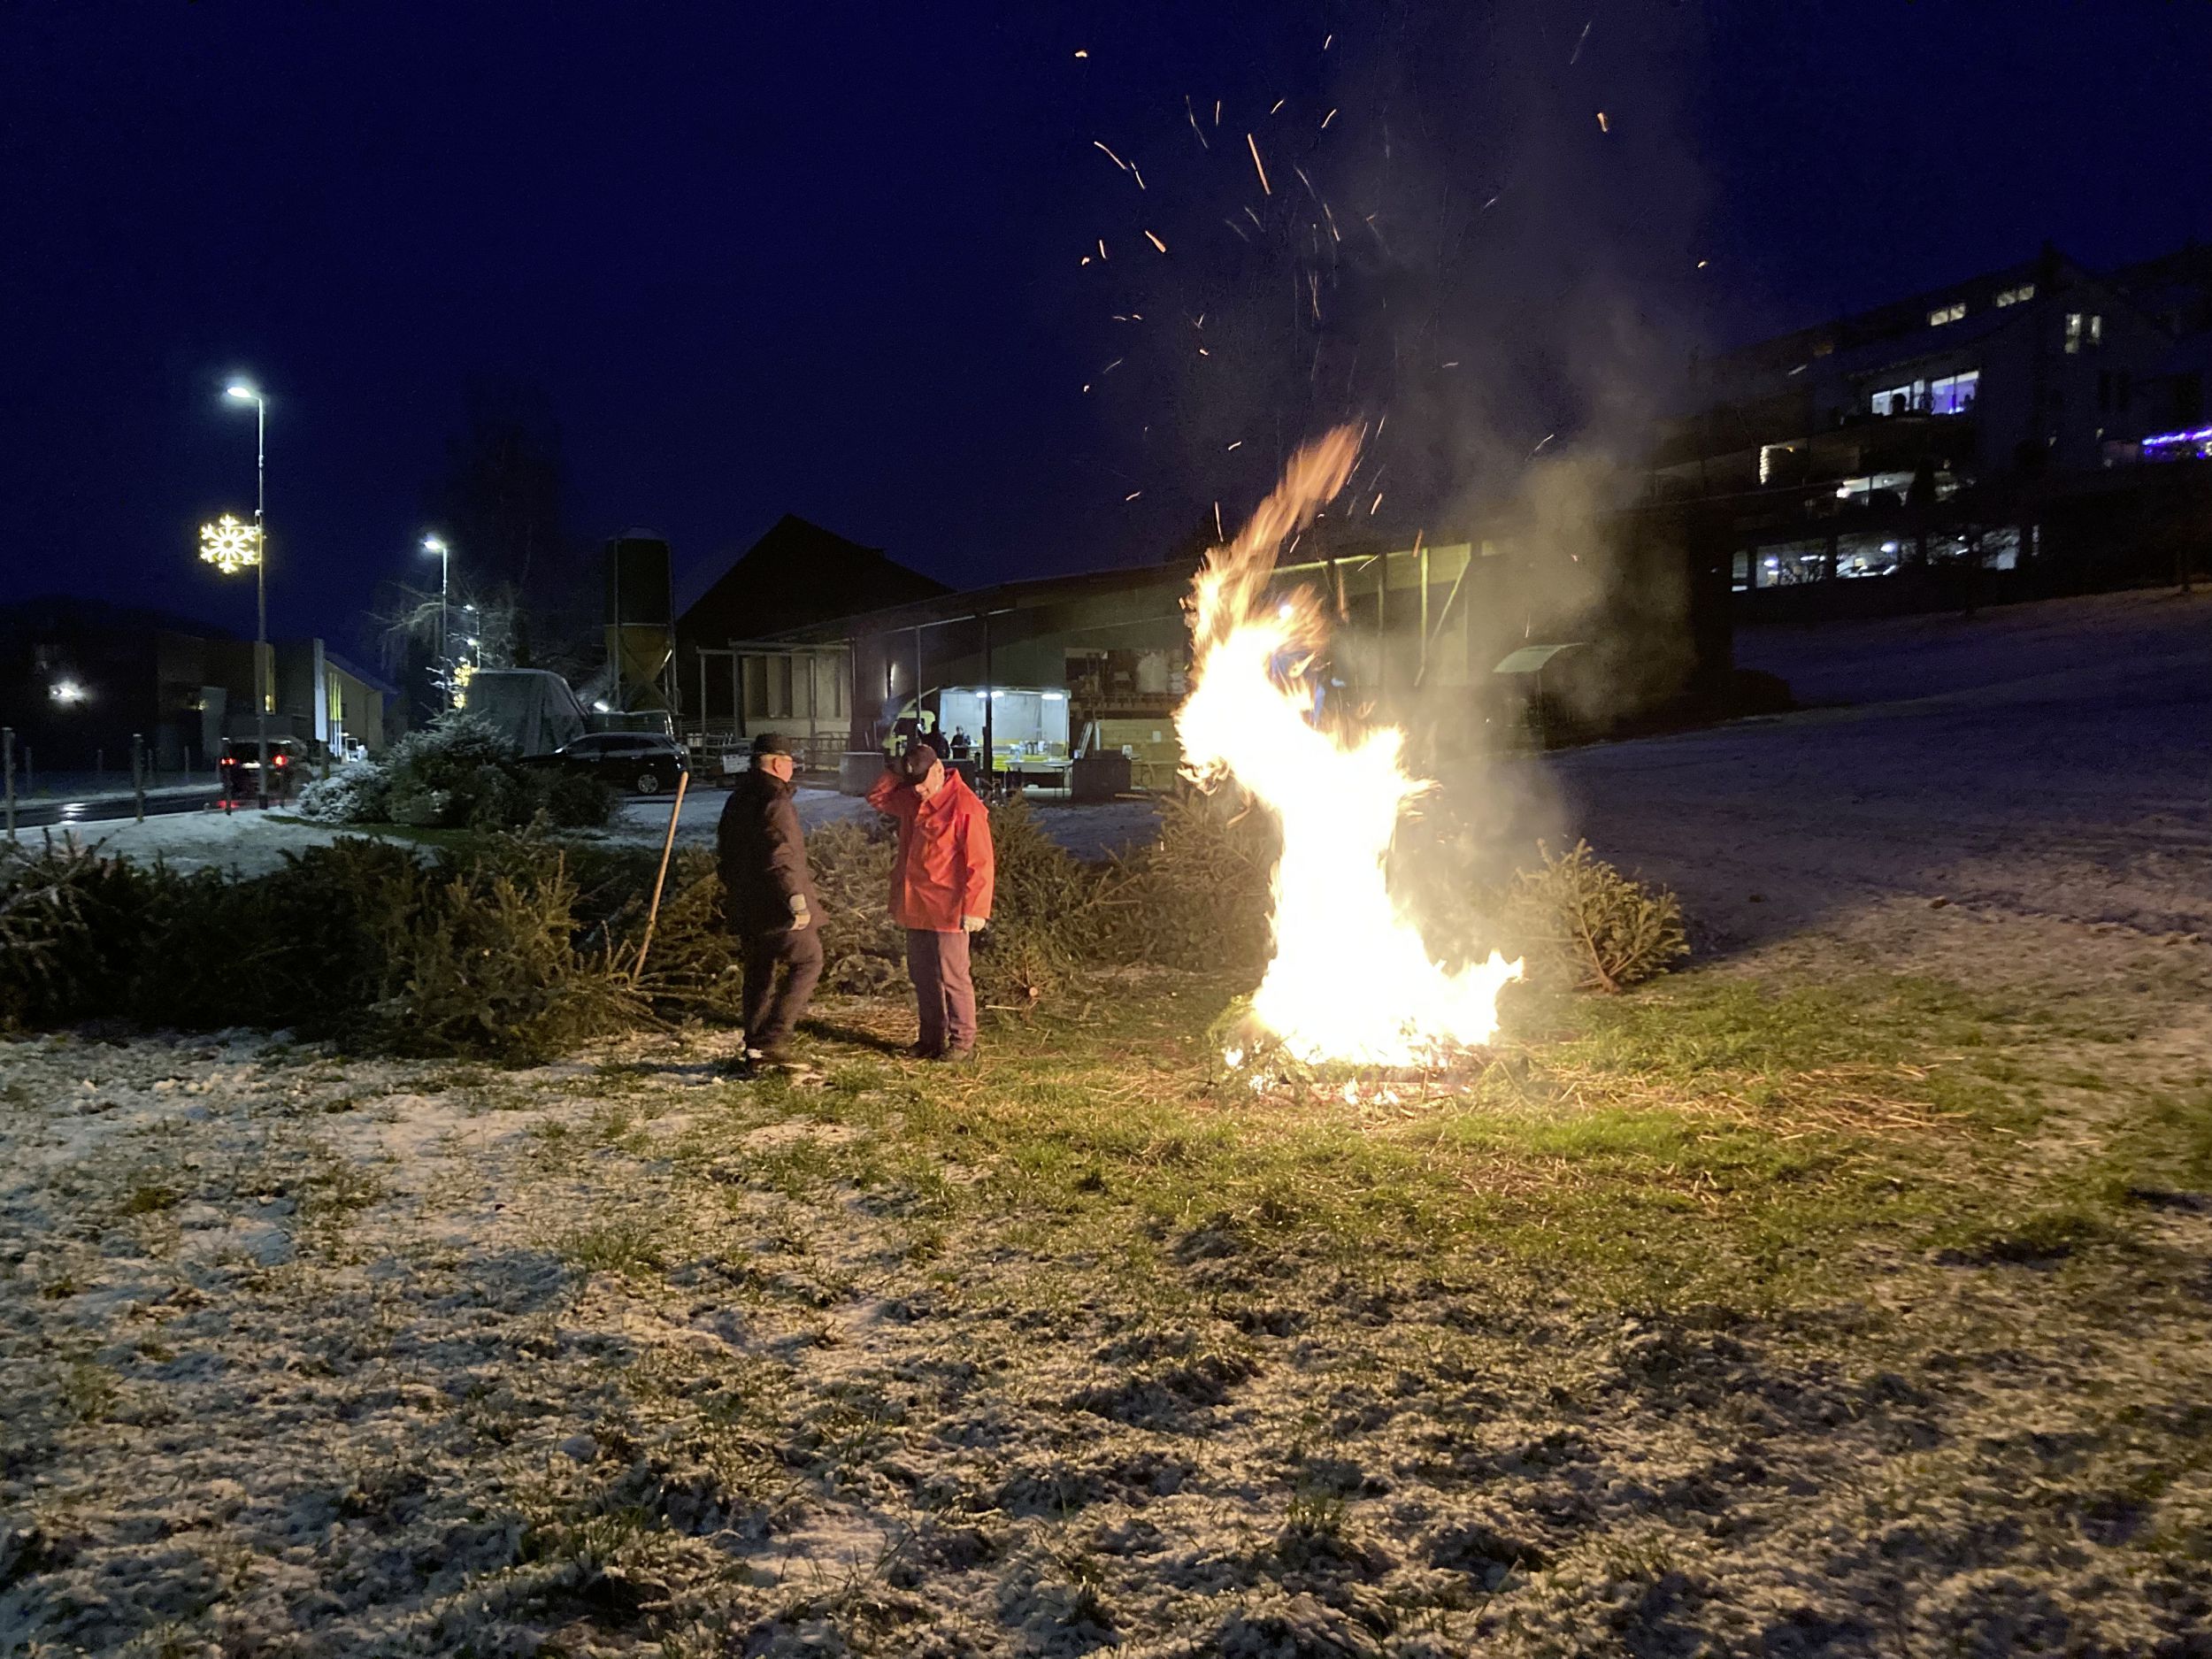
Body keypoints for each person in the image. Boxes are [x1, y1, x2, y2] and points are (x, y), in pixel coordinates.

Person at [868, 741, 995, 1060]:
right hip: (917, 903)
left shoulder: (965, 806)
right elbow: (878, 798)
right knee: (922, 974)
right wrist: (894, 771)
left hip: (949, 908)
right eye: (916, 786)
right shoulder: (914, 797)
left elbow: (980, 863)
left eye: (924, 784)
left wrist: (976, 909)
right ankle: (930, 1040)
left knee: (953, 977)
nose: (921, 792)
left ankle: (963, 1043)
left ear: (939, 770)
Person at [715, 732, 822, 1069]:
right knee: (809, 960)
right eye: (791, 762)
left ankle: (754, 1046)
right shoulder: (775, 802)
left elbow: (725, 853)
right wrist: (796, 900)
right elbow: (781, 856)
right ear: (778, 763)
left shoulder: (737, 799)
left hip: (747, 904)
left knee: (759, 970)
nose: (793, 768)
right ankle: (772, 1039)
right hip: (777, 906)